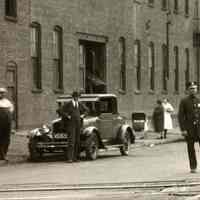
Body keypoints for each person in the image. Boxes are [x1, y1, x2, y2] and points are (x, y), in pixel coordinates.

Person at [59, 91, 88, 162]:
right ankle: (70, 158)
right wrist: (67, 116)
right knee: (71, 141)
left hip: (78, 124)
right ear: (73, 97)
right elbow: (60, 110)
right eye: (76, 97)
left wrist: (83, 115)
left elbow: (87, 110)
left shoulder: (79, 104)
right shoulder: (68, 104)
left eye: (78, 97)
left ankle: (75, 157)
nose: (77, 98)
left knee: (77, 141)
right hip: (71, 125)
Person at [178, 81, 200, 173]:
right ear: (188, 90)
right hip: (189, 129)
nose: (193, 90)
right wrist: (183, 129)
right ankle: (193, 166)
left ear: (197, 89)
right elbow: (181, 116)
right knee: (190, 149)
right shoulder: (184, 101)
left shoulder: (199, 100)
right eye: (191, 89)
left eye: (194, 88)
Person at [0, 87, 14, 163]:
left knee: (6, 138)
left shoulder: (7, 102)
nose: (1, 94)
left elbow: (11, 110)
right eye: (0, 93)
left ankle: (4, 155)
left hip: (7, 122)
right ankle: (0, 154)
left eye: (2, 93)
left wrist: (8, 116)